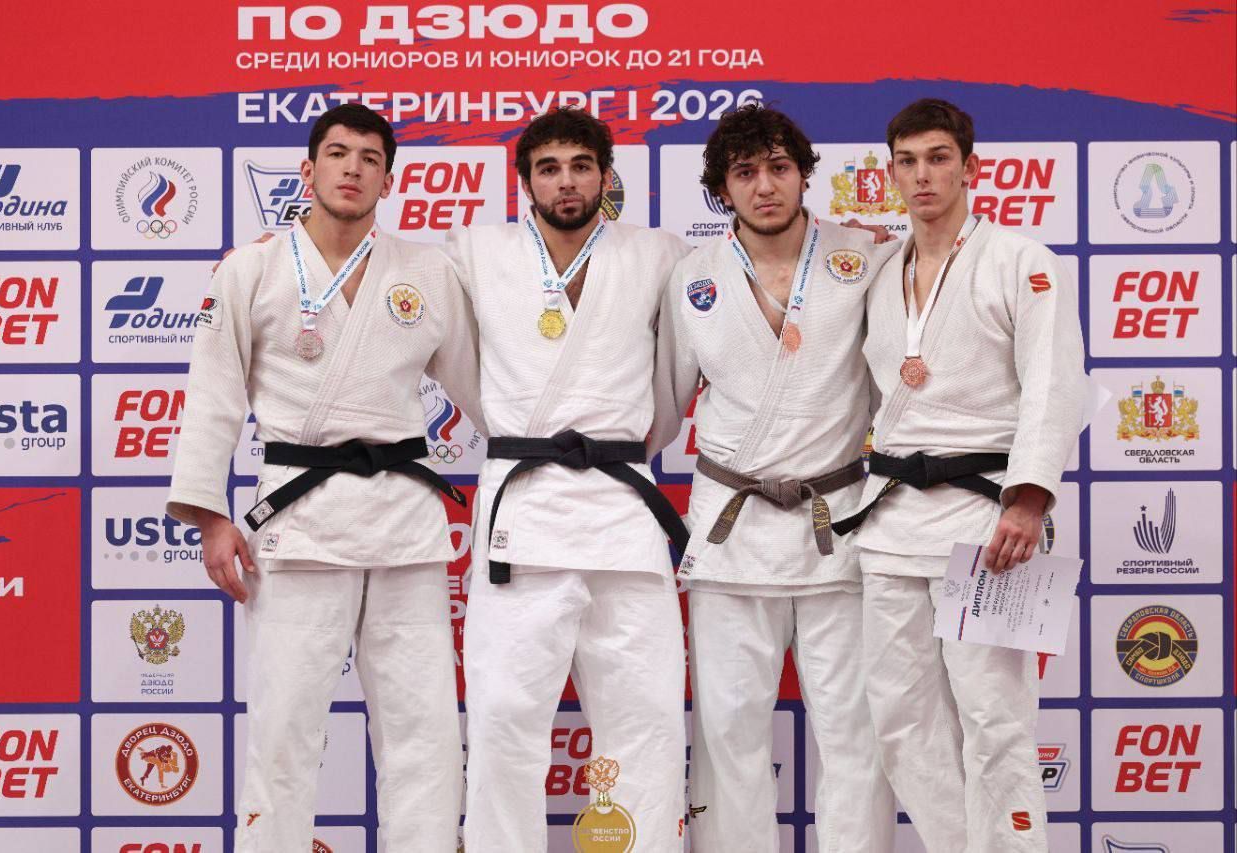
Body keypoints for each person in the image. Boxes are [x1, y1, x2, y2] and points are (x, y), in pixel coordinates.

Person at [167, 103, 481, 852]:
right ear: (308, 170)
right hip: (300, 523)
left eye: (370, 159)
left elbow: (484, 391)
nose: (353, 169)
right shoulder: (252, 269)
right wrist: (210, 516)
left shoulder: (428, 272)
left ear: (388, 180)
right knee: (285, 731)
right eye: (338, 154)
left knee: (425, 732)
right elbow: (213, 397)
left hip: (405, 525)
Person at [832, 98, 1086, 851]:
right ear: (890, 173)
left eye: (938, 158)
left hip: (987, 522)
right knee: (899, 720)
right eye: (907, 161)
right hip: (891, 520)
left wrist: (1028, 500)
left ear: (970, 167)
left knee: (995, 719)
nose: (923, 175)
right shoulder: (880, 270)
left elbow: (1054, 384)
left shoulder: (1020, 260)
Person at [444, 107, 692, 852]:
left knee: (647, 717)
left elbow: (678, 374)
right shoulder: (475, 251)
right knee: (502, 718)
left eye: (581, 166)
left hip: (622, 511)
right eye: (548, 168)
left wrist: (623, 446)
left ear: (605, 176)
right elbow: (426, 326)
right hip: (523, 516)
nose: (566, 182)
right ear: (525, 181)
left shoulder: (658, 255)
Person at [660, 104, 899, 852]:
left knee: (855, 731)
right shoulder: (691, 277)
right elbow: (663, 406)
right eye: (745, 172)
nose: (765, 186)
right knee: (728, 732)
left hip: (839, 525)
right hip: (731, 534)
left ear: (803, 174)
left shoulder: (868, 257)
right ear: (722, 189)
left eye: (779, 167)